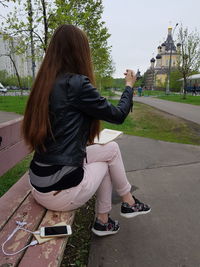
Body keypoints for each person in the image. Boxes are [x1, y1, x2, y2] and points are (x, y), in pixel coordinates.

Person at [22, 24, 150, 237]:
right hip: (58, 191)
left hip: (38, 182)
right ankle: (111, 214)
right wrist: (129, 85)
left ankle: (123, 207)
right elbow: (118, 115)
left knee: (112, 149)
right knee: (107, 160)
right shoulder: (76, 83)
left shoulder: (44, 83)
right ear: (80, 52)